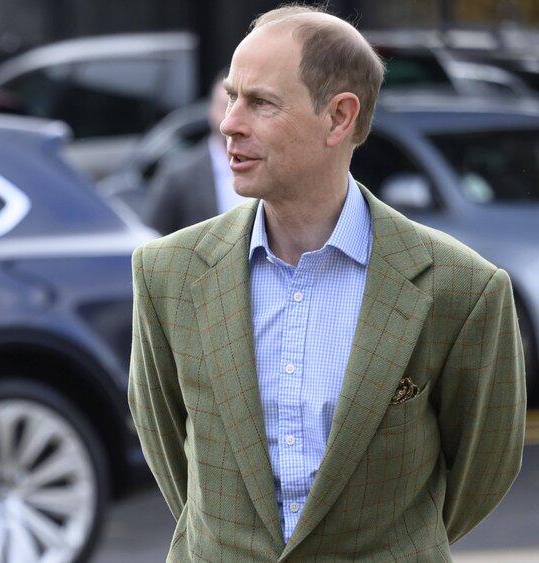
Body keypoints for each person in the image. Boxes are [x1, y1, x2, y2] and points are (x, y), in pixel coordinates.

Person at [128, 4, 526, 561]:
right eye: (231, 96)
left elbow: (482, 472)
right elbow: (174, 460)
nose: (229, 123)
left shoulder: (462, 288)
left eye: (261, 102)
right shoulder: (168, 273)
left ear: (339, 118)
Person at [142, 67, 250, 235]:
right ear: (210, 109)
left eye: (241, 107)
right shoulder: (178, 175)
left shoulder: (270, 167)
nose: (231, 119)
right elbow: (152, 238)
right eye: (225, 106)